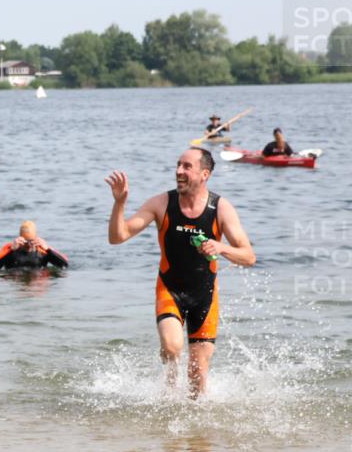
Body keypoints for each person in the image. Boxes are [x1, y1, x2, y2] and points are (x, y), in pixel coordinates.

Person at [105, 147, 256, 397]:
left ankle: (195, 433)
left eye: (187, 166)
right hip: (170, 289)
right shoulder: (161, 203)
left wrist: (221, 247)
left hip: (204, 296)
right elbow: (117, 237)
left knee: (197, 379)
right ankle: (168, 389)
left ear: (204, 174)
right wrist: (119, 204)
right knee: (173, 347)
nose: (178, 171)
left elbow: (249, 257)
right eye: (178, 165)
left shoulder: (220, 208)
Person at [0, 220, 68, 271]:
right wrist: (11, 250)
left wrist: (48, 250)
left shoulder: (43, 249)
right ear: (20, 238)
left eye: (31, 241)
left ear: (36, 238)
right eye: (25, 241)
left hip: (36, 284)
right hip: (17, 281)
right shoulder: (10, 248)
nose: (28, 244)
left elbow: (64, 265)